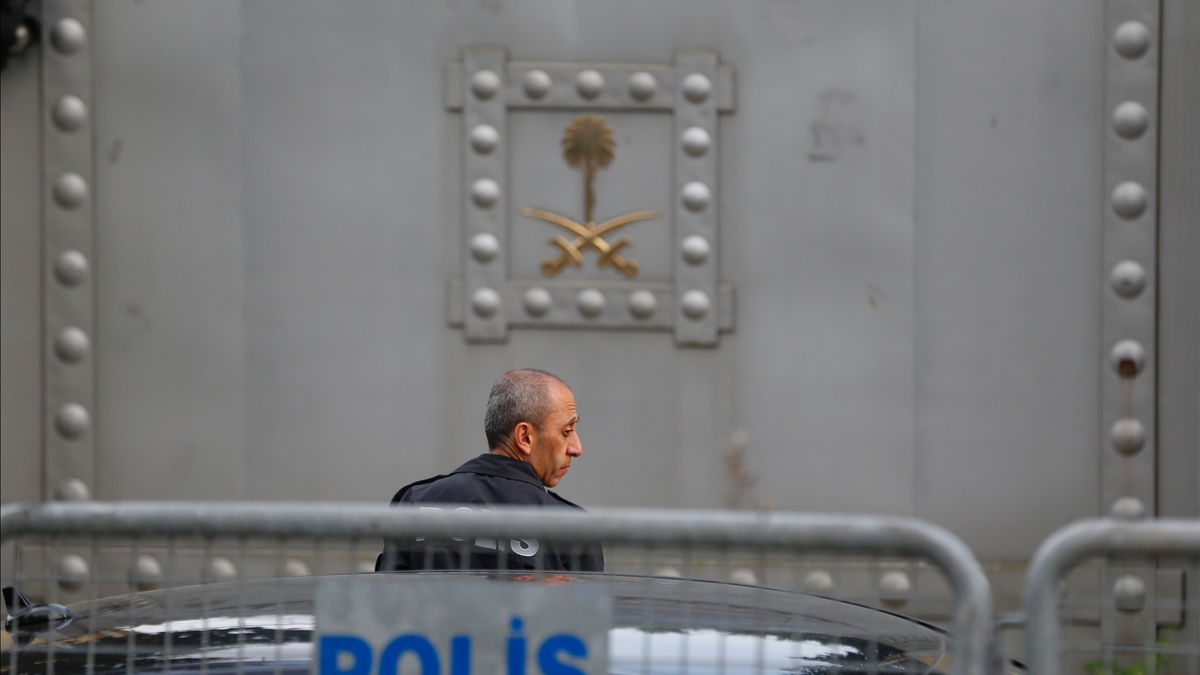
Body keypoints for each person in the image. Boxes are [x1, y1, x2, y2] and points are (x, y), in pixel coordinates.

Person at [376, 369, 604, 572]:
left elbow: (389, 605)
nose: (577, 448)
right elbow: (580, 616)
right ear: (525, 437)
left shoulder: (415, 501)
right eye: (567, 431)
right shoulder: (573, 528)